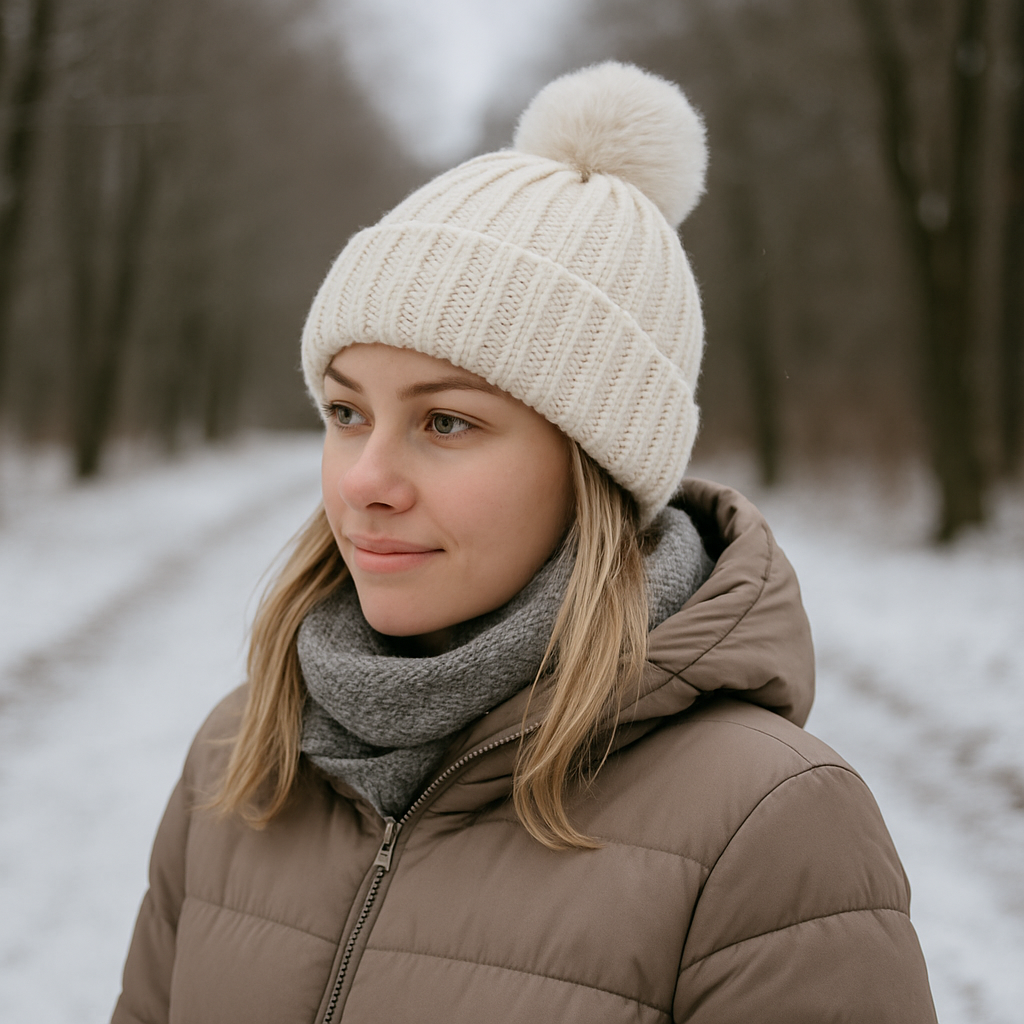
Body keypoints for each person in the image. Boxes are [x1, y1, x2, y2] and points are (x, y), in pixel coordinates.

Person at [112, 62, 937, 1024]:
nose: (364, 481)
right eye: (346, 411)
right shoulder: (240, 754)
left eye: (446, 423)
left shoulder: (769, 825)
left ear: (594, 466)